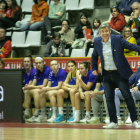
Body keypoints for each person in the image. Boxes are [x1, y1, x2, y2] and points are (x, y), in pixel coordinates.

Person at [92, 23, 140, 129]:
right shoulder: (97, 41)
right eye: (102, 31)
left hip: (119, 73)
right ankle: (113, 122)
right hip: (106, 74)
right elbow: (94, 55)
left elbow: (131, 46)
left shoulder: (117, 39)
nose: (105, 33)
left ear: (110, 31)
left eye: (106, 31)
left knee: (128, 96)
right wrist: (94, 68)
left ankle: (135, 120)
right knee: (109, 98)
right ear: (100, 33)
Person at [23, 57, 51, 122]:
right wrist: (28, 86)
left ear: (43, 63)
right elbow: (34, 84)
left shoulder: (47, 70)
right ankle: (26, 113)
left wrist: (31, 87)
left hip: (48, 89)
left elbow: (44, 85)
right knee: (27, 91)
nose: (38, 64)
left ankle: (36, 114)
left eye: (40, 63)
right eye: (36, 63)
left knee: (35, 91)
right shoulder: (37, 71)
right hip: (40, 89)